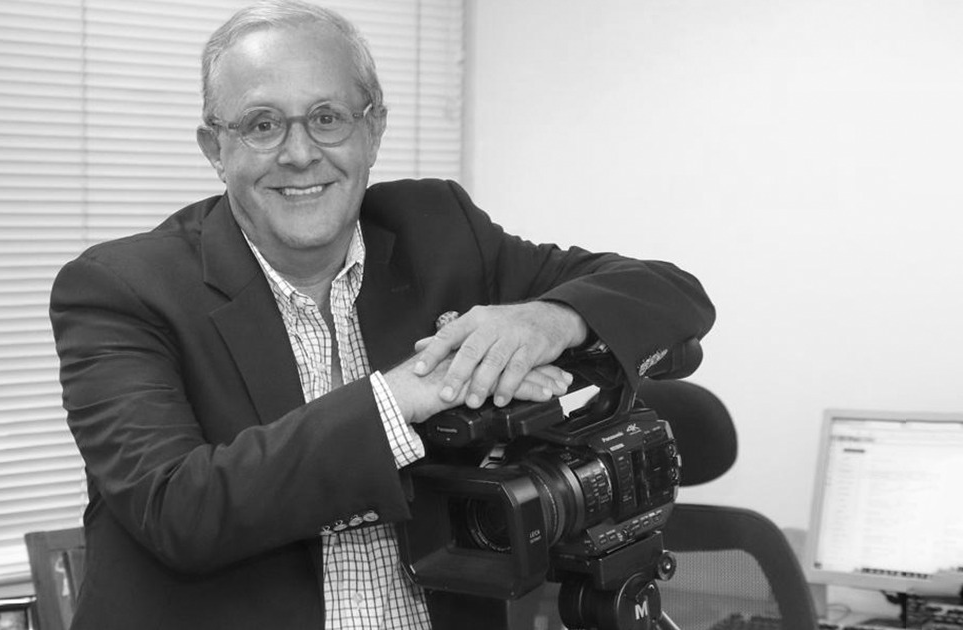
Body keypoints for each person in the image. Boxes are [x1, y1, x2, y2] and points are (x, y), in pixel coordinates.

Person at [48, 1, 715, 628]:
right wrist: (403, 398)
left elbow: (673, 294)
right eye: (261, 124)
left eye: (328, 116)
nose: (300, 153)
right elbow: (180, 509)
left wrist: (548, 320)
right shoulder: (121, 289)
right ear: (215, 149)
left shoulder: (440, 230)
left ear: (373, 130)